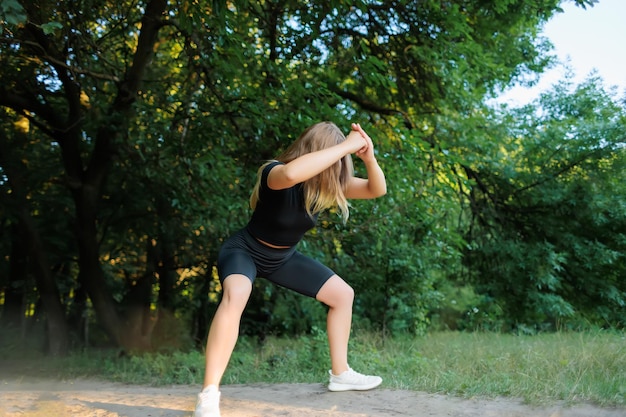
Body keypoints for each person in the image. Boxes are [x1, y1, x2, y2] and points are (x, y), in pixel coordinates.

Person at [194, 121, 387, 417]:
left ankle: (341, 373)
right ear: (320, 150)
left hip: (283, 258)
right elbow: (294, 172)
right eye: (335, 156)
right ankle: (208, 394)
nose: (338, 165)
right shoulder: (275, 171)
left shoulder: (326, 183)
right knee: (236, 296)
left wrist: (368, 157)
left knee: (342, 295)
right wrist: (346, 145)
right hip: (245, 250)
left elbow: (377, 189)